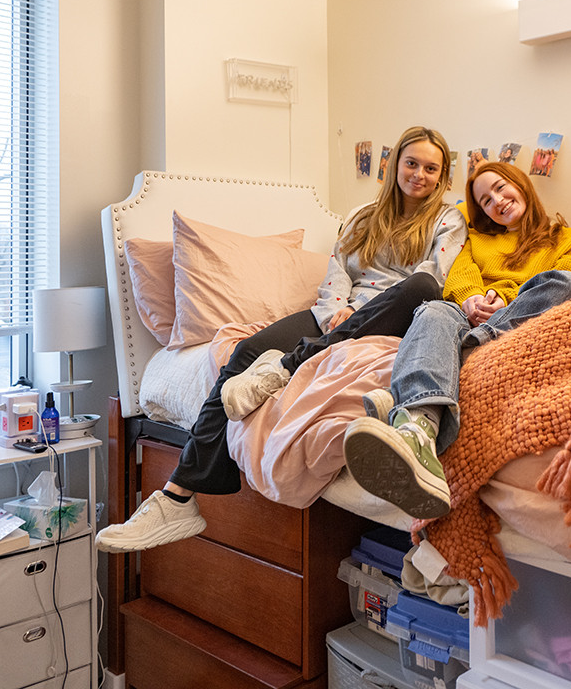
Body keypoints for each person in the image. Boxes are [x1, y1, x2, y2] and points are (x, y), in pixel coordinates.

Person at [96, 126, 467, 553]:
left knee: (420, 285)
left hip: (392, 315)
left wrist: (359, 315)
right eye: (412, 163)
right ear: (395, 164)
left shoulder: (447, 218)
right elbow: (336, 273)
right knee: (245, 351)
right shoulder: (363, 214)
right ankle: (178, 496)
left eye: (431, 168)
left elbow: (434, 279)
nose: (420, 174)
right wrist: (335, 311)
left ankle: (290, 364)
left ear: (442, 176)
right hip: (339, 316)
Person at [342, 161, 571, 519]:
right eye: (486, 201)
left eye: (502, 188)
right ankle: (416, 431)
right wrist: (472, 298)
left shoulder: (570, 237)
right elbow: (458, 273)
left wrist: (506, 301)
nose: (497, 202)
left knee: (569, 285)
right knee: (432, 310)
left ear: (521, 184)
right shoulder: (476, 236)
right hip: (471, 315)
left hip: (519, 313)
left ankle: (464, 351)